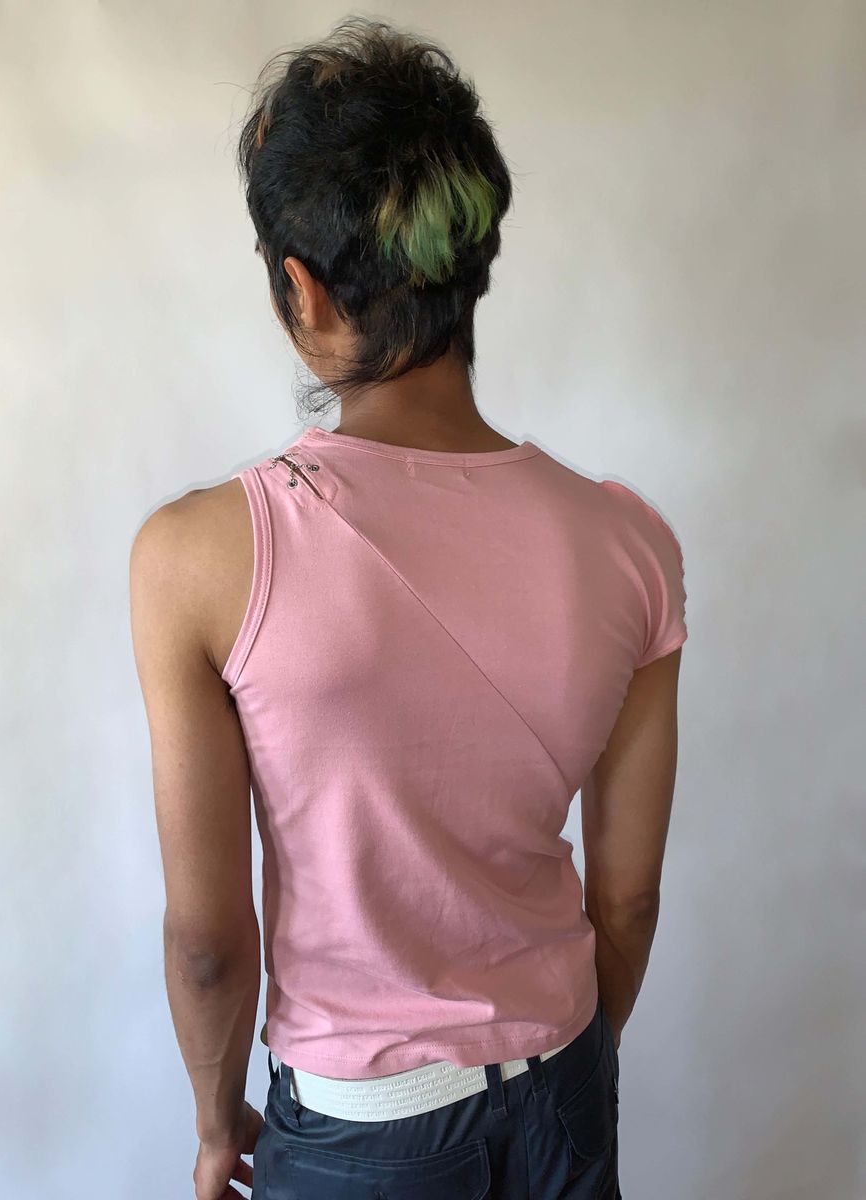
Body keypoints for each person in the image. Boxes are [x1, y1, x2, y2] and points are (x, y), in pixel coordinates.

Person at [129, 17, 688, 1200]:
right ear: (466, 262)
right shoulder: (629, 544)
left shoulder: (199, 557)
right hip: (564, 1084)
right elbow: (627, 897)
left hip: (361, 1134)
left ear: (302, 289)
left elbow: (209, 943)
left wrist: (218, 1121)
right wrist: (566, 1072)